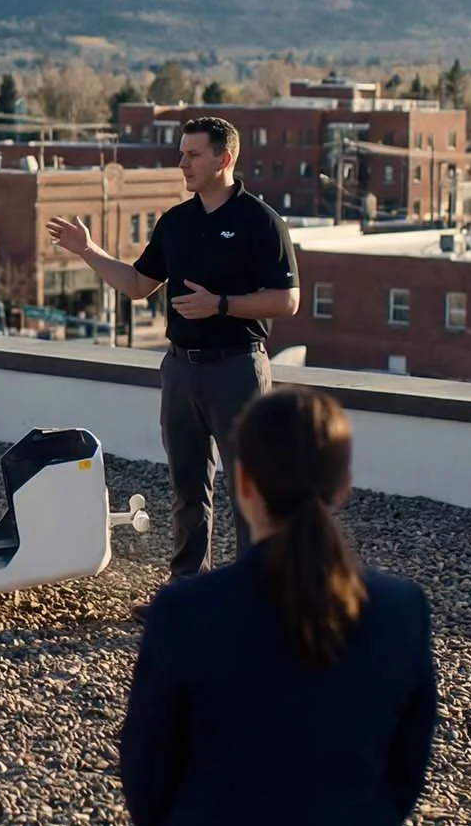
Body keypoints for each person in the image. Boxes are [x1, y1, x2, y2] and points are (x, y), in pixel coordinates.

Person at [120, 387, 437, 826]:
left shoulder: (187, 612)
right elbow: (403, 772)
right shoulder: (401, 611)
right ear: (344, 486)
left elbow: (147, 771)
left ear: (243, 484)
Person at [48, 116, 299, 584]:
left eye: (193, 155)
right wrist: (88, 250)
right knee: (187, 489)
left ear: (224, 159)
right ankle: (188, 590)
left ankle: (255, 597)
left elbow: (287, 300)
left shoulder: (261, 222)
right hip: (181, 370)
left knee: (249, 490)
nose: (182, 163)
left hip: (237, 370)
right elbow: (137, 284)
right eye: (181, 154)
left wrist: (220, 305)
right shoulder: (176, 222)